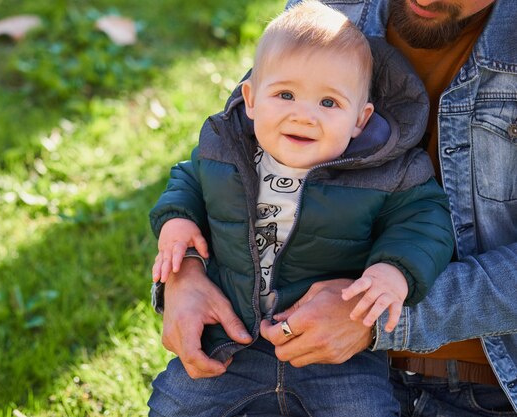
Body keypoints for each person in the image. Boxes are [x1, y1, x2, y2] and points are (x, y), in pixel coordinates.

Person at [156, 0, 517, 415]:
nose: (304, 116)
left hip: (421, 376)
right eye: (288, 96)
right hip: (237, 343)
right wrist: (182, 268)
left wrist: (391, 278)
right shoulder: (322, 15)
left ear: (363, 120)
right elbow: (199, 173)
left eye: (328, 104)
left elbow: (421, 220)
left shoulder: (386, 175)